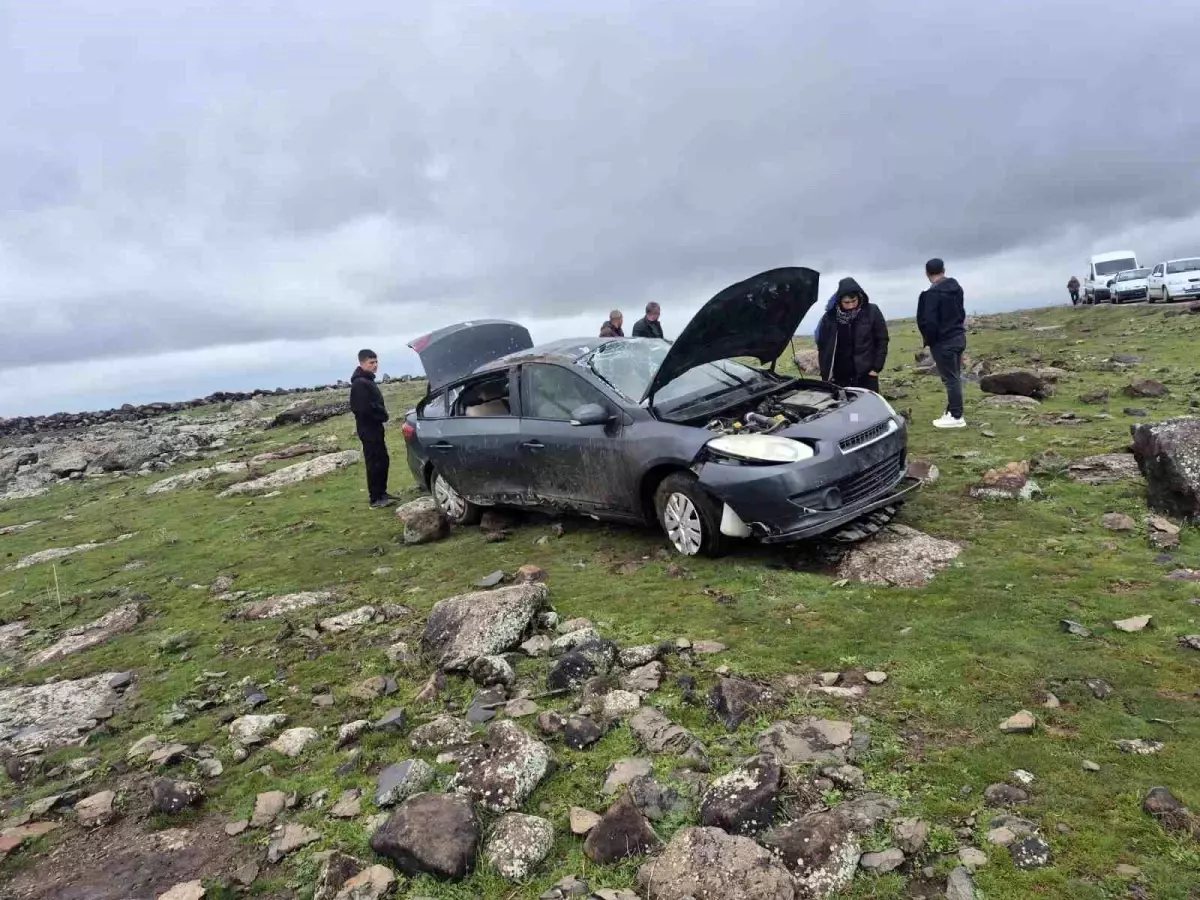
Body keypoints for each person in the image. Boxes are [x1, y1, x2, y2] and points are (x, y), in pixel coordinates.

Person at [917, 258, 967, 429]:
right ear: (943, 270)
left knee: (950, 379)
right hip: (958, 337)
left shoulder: (932, 294)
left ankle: (956, 416)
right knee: (954, 376)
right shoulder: (956, 288)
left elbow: (929, 321)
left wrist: (930, 340)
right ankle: (951, 411)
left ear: (927, 273)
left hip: (943, 342)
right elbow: (960, 312)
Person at [816, 277, 889, 393]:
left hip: (866, 375)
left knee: (868, 404)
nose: (851, 306)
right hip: (839, 376)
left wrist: (876, 368)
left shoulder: (872, 311)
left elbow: (882, 340)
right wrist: (826, 374)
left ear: (859, 297)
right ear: (839, 301)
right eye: (846, 303)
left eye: (853, 301)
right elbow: (823, 346)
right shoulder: (830, 318)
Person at [349, 349, 396, 508]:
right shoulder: (359, 383)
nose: (375, 365)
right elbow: (361, 409)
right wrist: (380, 414)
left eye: (376, 362)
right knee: (374, 462)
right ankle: (375, 498)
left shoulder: (368, 380)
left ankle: (382, 492)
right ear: (362, 363)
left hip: (375, 427)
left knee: (382, 460)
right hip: (368, 429)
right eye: (371, 362)